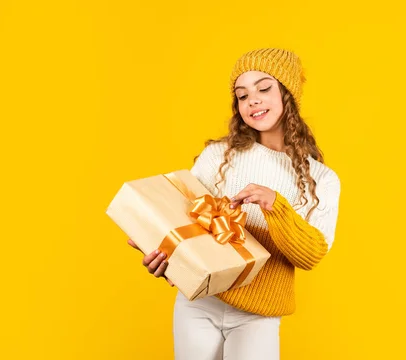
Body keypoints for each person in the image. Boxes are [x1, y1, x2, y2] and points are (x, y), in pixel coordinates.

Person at [127, 47, 341, 360]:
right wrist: (162, 251)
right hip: (199, 303)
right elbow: (187, 222)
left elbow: (311, 254)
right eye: (242, 95)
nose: (252, 99)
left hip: (258, 313)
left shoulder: (320, 179)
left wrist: (275, 206)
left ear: (288, 94)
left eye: (264, 88)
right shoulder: (218, 157)